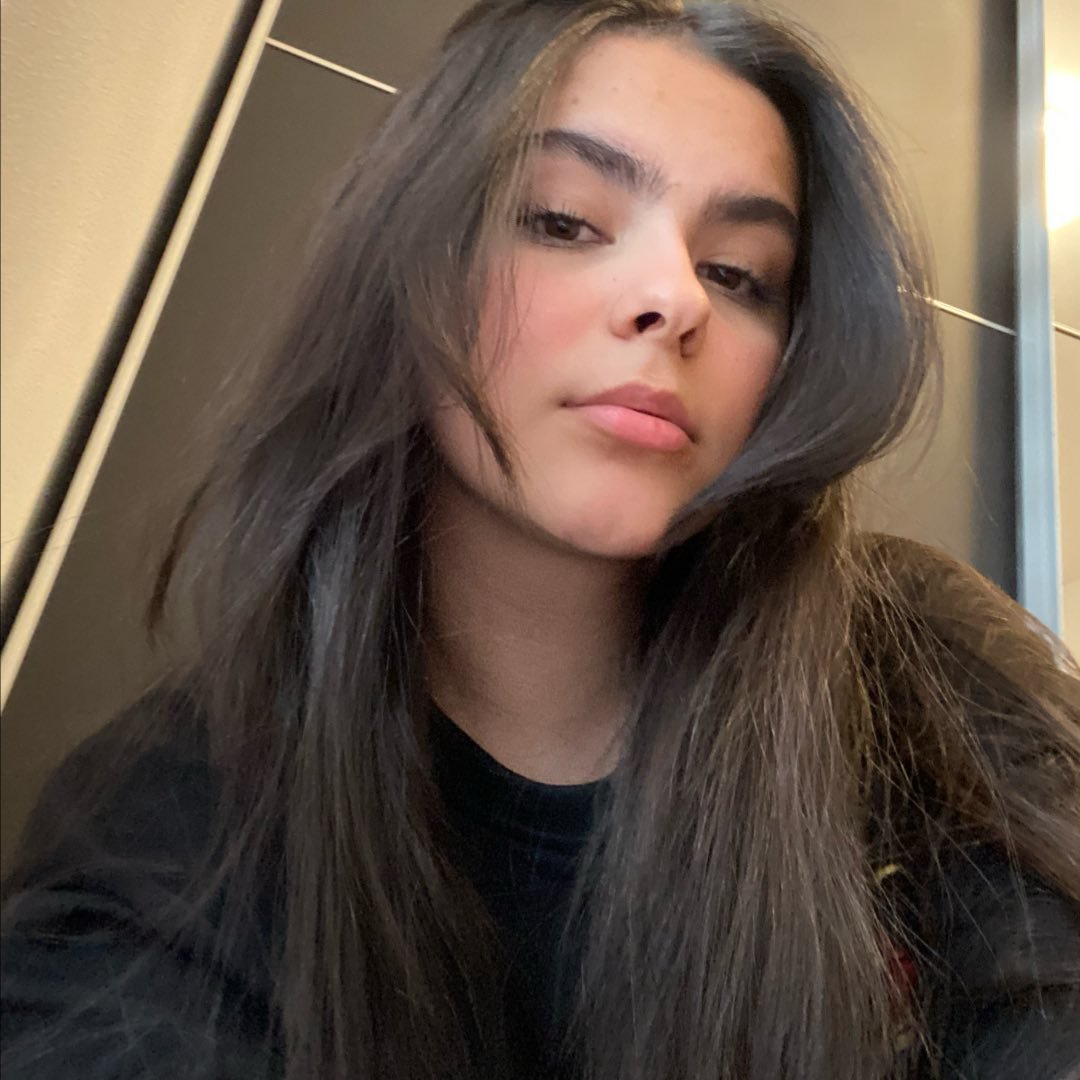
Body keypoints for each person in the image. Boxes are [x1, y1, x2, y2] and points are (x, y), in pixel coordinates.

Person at [2, 1, 1078, 1077]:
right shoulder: (168, 827)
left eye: (739, 274)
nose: (675, 298)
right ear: (409, 259)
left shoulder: (920, 671)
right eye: (564, 221)